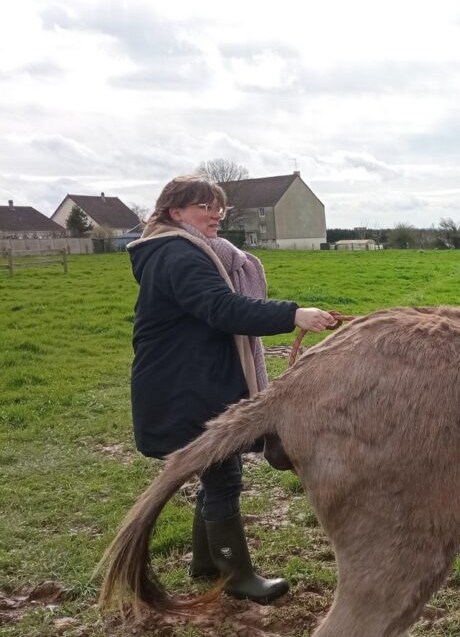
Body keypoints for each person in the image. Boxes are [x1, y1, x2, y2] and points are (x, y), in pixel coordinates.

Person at [129, 175, 335, 604]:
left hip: (191, 378)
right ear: (175, 212)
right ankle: (237, 575)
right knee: (223, 475)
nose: (216, 213)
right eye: (204, 205)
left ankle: (207, 563)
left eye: (218, 205)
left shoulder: (184, 250)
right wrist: (294, 314)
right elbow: (222, 309)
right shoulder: (176, 255)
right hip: (186, 385)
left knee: (216, 469)